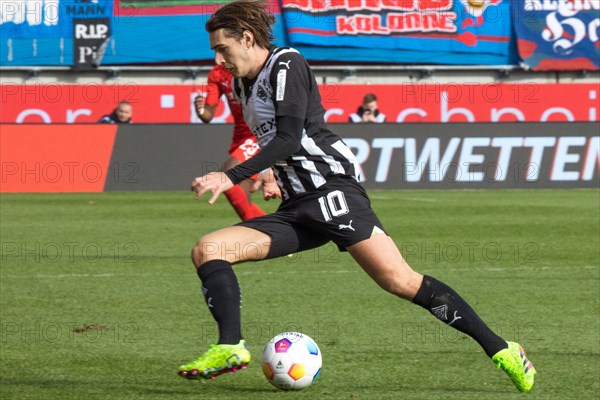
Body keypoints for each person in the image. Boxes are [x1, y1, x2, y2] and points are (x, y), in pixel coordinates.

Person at [179, 0, 536, 393]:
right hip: (296, 205)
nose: (218, 57)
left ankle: (503, 349)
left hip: (331, 191)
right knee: (208, 249)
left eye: (222, 48)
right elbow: (272, 140)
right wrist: (269, 174)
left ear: (247, 39)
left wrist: (230, 176)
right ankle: (230, 347)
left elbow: (289, 136)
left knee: (400, 281)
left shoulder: (286, 64)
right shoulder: (241, 83)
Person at [193, 64, 266, 221]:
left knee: (226, 175)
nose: (219, 53)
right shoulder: (217, 74)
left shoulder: (254, 65)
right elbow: (208, 115)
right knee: (242, 197)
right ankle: (270, 233)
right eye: (217, 49)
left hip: (259, 134)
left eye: (222, 47)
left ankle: (260, 234)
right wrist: (200, 109)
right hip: (240, 138)